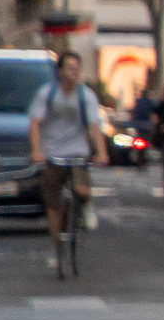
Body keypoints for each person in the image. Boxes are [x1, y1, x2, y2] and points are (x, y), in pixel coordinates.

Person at [28, 51, 109, 260]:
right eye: (70, 68)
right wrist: (37, 150)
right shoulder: (47, 94)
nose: (74, 73)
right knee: (52, 202)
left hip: (78, 153)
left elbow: (93, 127)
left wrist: (101, 152)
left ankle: (85, 206)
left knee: (82, 190)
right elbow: (35, 124)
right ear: (60, 71)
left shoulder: (86, 96)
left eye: (77, 69)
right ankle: (58, 246)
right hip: (53, 154)